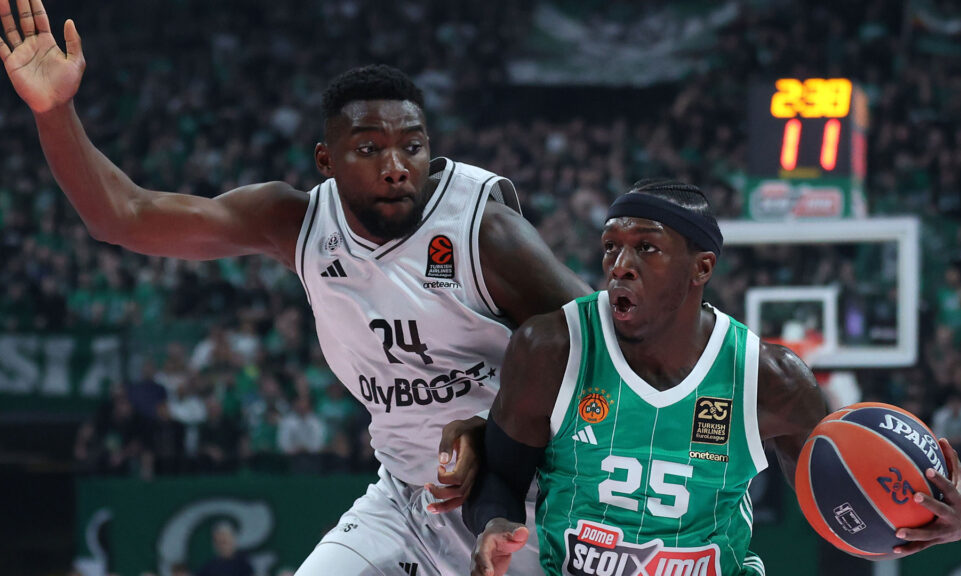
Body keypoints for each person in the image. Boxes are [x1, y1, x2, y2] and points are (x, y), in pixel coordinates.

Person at [0, 2, 589, 574]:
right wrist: (55, 112)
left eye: (412, 146)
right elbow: (123, 216)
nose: (395, 165)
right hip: (406, 504)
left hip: (520, 503)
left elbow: (606, 348)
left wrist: (494, 436)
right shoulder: (297, 224)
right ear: (326, 160)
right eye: (369, 149)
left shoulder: (480, 230)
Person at [464, 179, 961, 576]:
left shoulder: (769, 379)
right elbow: (499, 478)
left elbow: (842, 498)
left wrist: (938, 521)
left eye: (646, 248)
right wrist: (494, 523)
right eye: (611, 246)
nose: (620, 265)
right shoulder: (552, 349)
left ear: (701, 268)